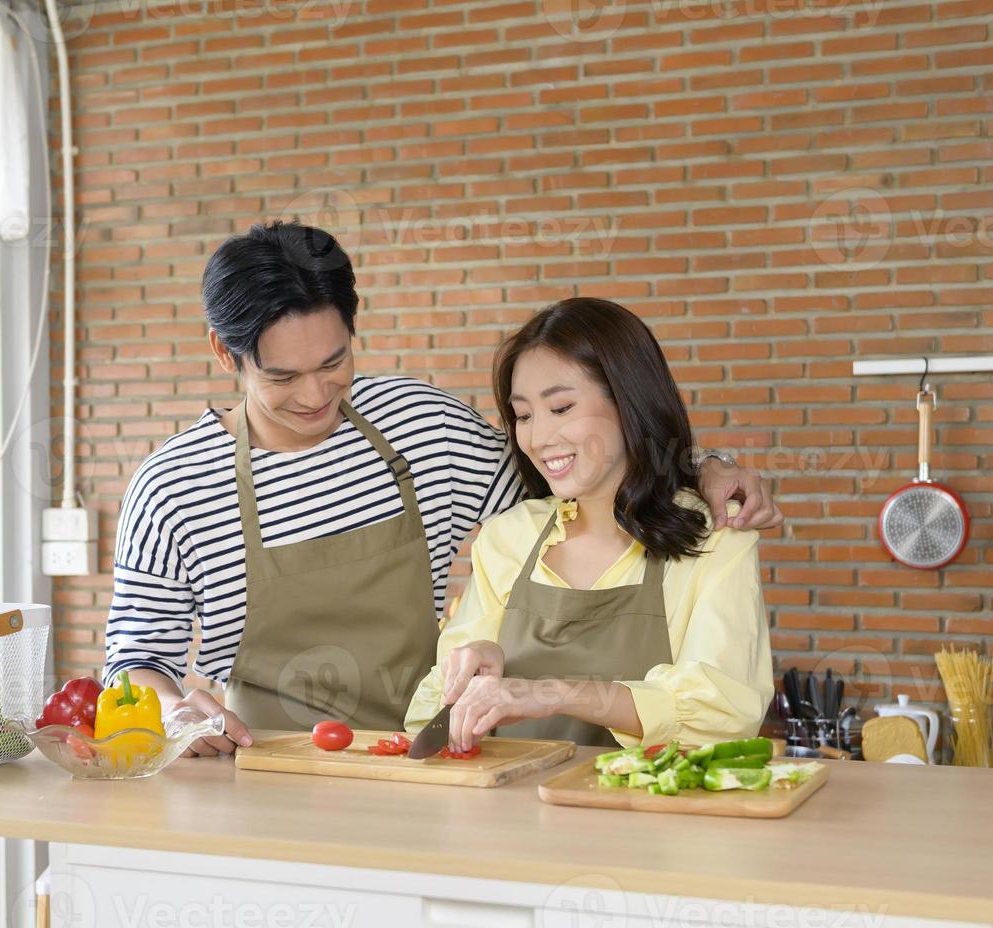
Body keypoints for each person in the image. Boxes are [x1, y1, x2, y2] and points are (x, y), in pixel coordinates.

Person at [107, 222, 782, 756]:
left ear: (351, 329)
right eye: (282, 377)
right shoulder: (173, 487)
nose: (316, 395)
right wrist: (171, 708)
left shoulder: (419, 425)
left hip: (427, 754)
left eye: (334, 361)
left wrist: (702, 471)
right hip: (273, 762)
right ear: (227, 356)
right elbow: (134, 658)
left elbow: (576, 481)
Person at [404, 297, 772, 751]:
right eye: (523, 416)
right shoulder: (509, 537)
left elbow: (723, 711)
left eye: (561, 408)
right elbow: (436, 719)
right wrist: (480, 663)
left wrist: (555, 693)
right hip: (508, 814)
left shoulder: (716, 536)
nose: (538, 438)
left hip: (649, 814)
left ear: (628, 400)